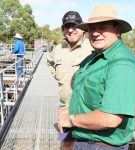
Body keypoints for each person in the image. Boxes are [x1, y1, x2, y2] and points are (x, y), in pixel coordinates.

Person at [58, 4, 135, 150]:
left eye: (102, 27)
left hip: (102, 145)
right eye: (92, 28)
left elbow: (110, 118)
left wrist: (71, 119)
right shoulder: (94, 57)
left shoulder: (122, 65)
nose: (96, 33)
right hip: (84, 140)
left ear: (118, 31)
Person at [47, 11, 92, 149]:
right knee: (66, 144)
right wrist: (61, 78)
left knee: (85, 145)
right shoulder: (58, 49)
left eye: (74, 26)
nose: (71, 30)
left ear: (82, 28)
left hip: (86, 112)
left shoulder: (92, 47)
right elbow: (50, 63)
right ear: (63, 29)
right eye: (67, 26)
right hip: (64, 109)